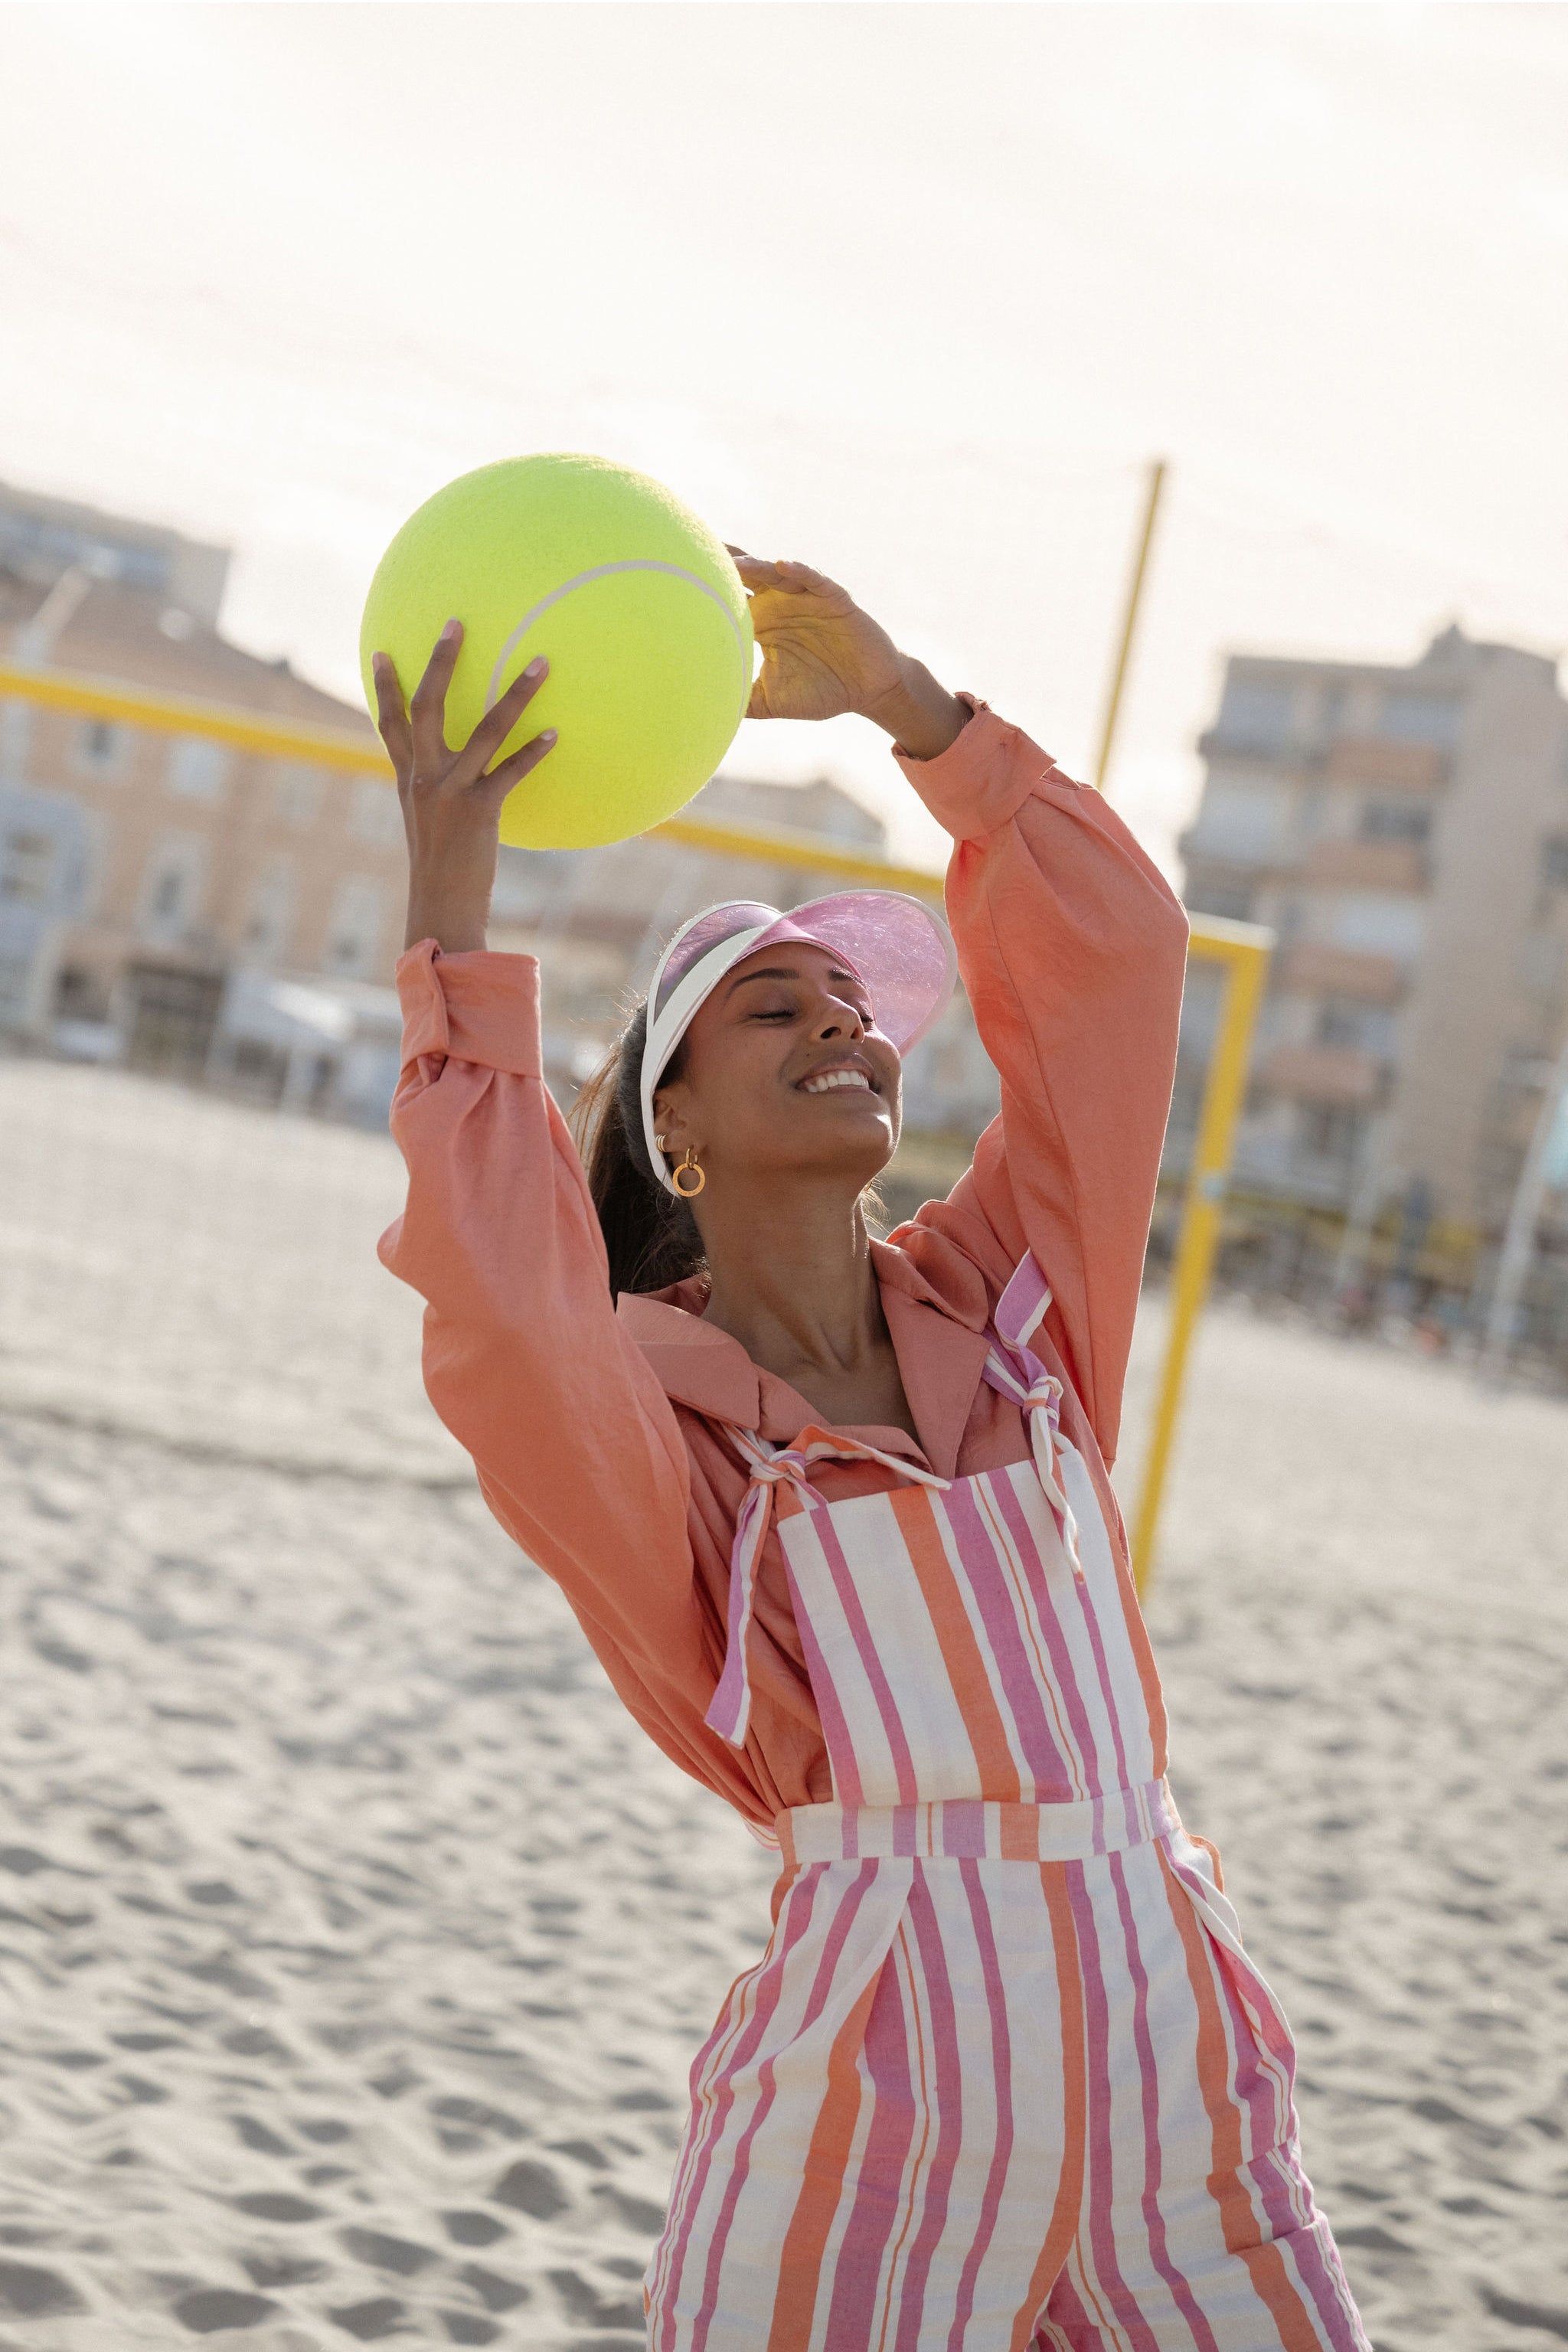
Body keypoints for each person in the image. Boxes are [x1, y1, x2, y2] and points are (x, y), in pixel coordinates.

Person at [372, 556, 1369, 2352]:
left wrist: (919, 711)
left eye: (851, 1004)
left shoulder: (1018, 1315)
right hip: (883, 2085)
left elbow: (1116, 973)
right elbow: (508, 1305)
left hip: (1172, 2040)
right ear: (671, 1127)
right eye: (777, 1008)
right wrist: (453, 908)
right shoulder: (652, 1423)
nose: (843, 1020)